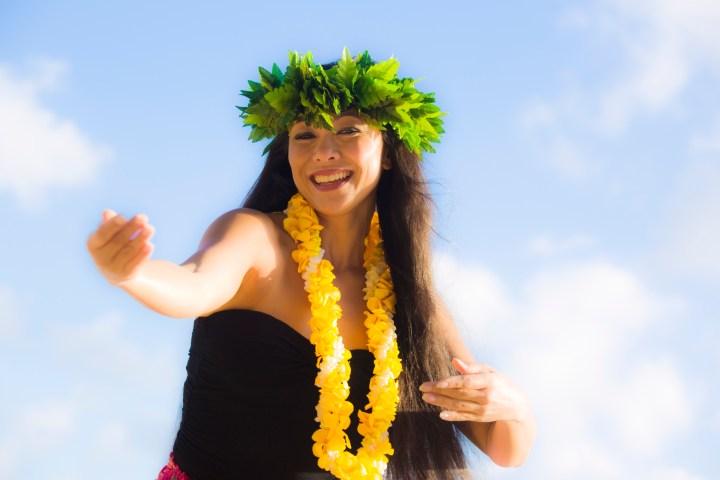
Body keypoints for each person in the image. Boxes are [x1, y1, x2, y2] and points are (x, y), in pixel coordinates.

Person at [87, 49, 535, 480]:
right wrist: (133, 273)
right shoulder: (254, 238)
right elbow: (192, 285)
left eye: (347, 131)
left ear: (391, 152)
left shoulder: (410, 298)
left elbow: (504, 448)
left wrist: (513, 405)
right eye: (305, 136)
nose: (323, 151)